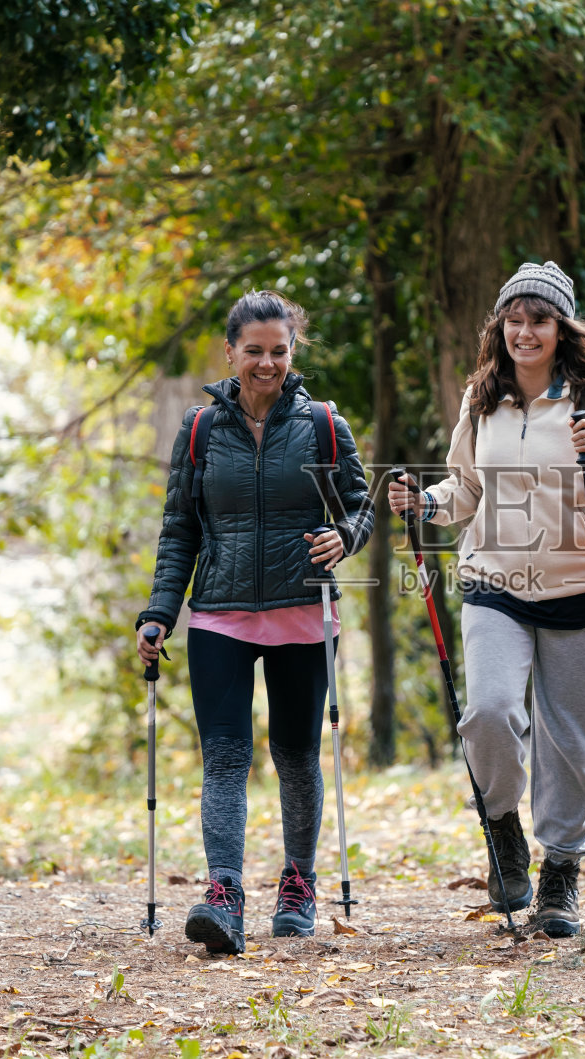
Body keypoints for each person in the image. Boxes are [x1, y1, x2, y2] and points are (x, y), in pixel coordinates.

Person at [389, 261, 585, 937]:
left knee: (573, 739)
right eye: (515, 319)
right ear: (500, 324)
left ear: (562, 329)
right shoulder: (482, 396)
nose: (525, 332)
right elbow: (464, 489)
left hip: (575, 582)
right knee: (492, 711)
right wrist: (427, 501)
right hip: (493, 580)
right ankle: (503, 825)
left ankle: (560, 873)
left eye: (540, 320)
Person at [136, 291, 373, 954]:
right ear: (231, 352)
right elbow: (178, 527)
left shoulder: (325, 424)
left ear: (291, 351)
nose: (267, 362)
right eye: (255, 351)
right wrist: (159, 611)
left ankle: (298, 881)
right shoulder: (200, 430)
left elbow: (361, 509)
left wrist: (344, 539)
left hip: (302, 612)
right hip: (219, 615)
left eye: (279, 350)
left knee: (297, 756)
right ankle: (225, 894)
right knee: (226, 757)